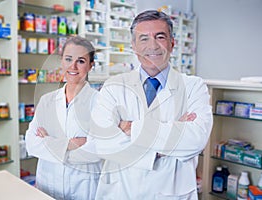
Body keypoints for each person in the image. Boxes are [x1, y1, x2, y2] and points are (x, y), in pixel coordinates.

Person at [90, 10, 213, 199]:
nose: (152, 45)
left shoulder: (193, 87)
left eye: (160, 36)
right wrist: (160, 151)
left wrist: (131, 128)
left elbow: (195, 140)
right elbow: (100, 142)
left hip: (171, 191)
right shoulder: (114, 86)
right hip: (119, 191)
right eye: (144, 38)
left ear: (172, 43)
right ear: (133, 45)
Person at [25, 36, 102, 200]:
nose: (73, 66)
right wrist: (70, 144)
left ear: (91, 65)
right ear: (62, 62)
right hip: (47, 186)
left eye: (80, 61)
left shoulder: (101, 103)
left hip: (83, 188)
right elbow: (31, 144)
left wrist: (48, 143)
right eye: (68, 59)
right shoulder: (47, 100)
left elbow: (96, 151)